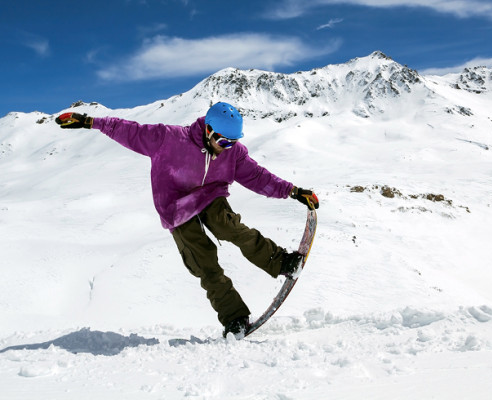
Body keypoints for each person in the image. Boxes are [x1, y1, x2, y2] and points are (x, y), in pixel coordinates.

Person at [55, 102, 319, 338]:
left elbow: (259, 177)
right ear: (208, 130)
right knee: (204, 262)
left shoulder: (233, 152)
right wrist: (90, 122)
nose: (225, 147)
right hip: (177, 208)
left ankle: (282, 262)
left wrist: (293, 191)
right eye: (222, 141)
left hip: (211, 196)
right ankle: (235, 318)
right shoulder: (168, 139)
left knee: (231, 228)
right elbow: (130, 130)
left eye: (231, 142)